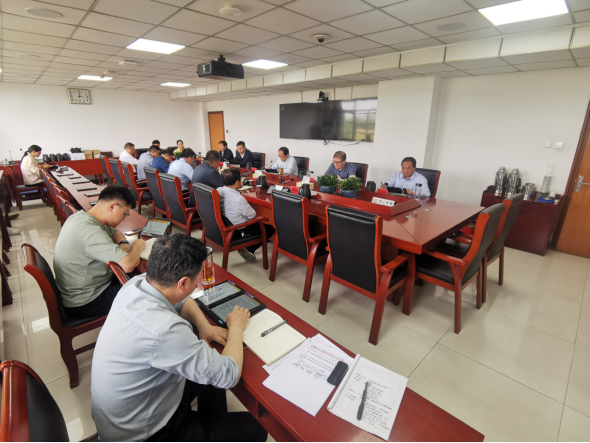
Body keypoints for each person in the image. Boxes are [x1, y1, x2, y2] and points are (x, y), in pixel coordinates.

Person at [91, 234, 267, 442]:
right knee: (257, 429)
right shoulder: (165, 330)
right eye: (197, 279)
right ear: (183, 283)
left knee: (209, 374)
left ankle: (210, 422)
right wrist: (236, 328)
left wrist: (205, 327)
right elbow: (229, 374)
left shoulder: (137, 284)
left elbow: (182, 302)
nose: (197, 284)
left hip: (131, 410)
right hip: (146, 434)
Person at [53, 186, 146, 319]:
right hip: (86, 301)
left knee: (135, 279)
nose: (124, 218)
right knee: (146, 293)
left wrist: (123, 243)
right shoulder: (90, 232)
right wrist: (137, 246)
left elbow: (115, 232)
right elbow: (128, 265)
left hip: (82, 289)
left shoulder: (82, 217)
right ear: (113, 206)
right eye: (125, 213)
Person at [218, 168, 275, 263]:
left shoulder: (218, 190)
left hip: (227, 223)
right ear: (237, 182)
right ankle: (249, 248)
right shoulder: (239, 199)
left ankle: (254, 239)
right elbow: (252, 215)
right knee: (270, 228)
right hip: (239, 228)